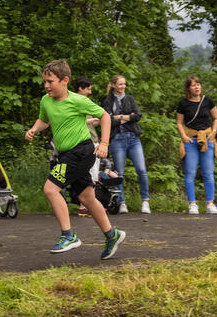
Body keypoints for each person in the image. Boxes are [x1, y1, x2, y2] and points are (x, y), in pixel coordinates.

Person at [25, 60, 125, 260]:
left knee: (50, 189)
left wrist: (104, 144)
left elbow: (105, 116)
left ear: (65, 81)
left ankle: (68, 235)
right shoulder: (46, 100)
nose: (46, 85)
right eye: (44, 81)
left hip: (81, 151)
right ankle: (112, 235)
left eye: (50, 81)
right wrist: (35, 128)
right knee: (87, 198)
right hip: (65, 154)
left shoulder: (78, 100)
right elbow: (44, 119)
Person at [102, 75, 151, 214]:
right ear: (113, 85)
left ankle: (145, 201)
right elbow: (108, 119)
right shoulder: (108, 100)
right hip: (117, 139)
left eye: (124, 84)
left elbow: (137, 116)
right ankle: (121, 203)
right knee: (119, 172)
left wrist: (121, 117)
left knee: (141, 170)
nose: (123, 86)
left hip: (133, 138)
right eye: (120, 84)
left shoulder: (129, 98)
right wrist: (126, 117)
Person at [176, 76, 217, 215]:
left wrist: (213, 132)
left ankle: (210, 203)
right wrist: (183, 136)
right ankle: (192, 204)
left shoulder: (207, 101)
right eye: (194, 85)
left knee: (208, 173)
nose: (197, 87)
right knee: (190, 173)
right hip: (191, 141)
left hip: (207, 139)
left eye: (199, 84)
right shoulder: (183, 103)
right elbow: (179, 122)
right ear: (188, 88)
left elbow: (216, 118)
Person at [72, 77, 100, 216]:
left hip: (92, 138)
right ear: (80, 88)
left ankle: (87, 205)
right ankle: (86, 206)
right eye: (88, 89)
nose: (90, 92)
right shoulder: (75, 101)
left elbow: (87, 122)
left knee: (91, 174)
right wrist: (90, 120)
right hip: (86, 143)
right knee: (90, 174)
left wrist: (96, 121)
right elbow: (74, 120)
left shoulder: (85, 102)